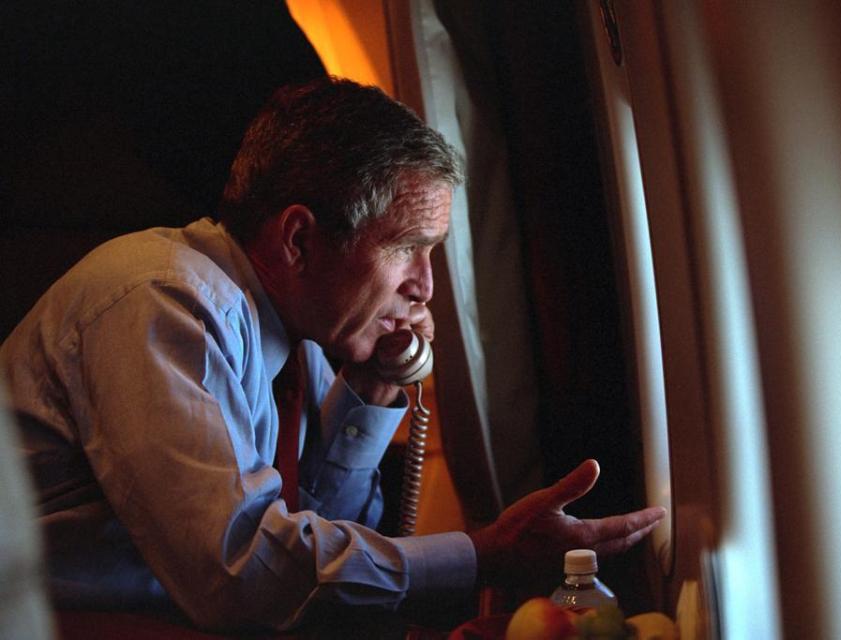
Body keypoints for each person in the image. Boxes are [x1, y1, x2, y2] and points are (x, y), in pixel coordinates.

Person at [0, 78, 666, 631]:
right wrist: (484, 555)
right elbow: (245, 575)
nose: (425, 286)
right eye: (408, 246)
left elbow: (319, 545)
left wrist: (372, 389)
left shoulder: (304, 340)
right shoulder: (162, 300)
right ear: (298, 241)